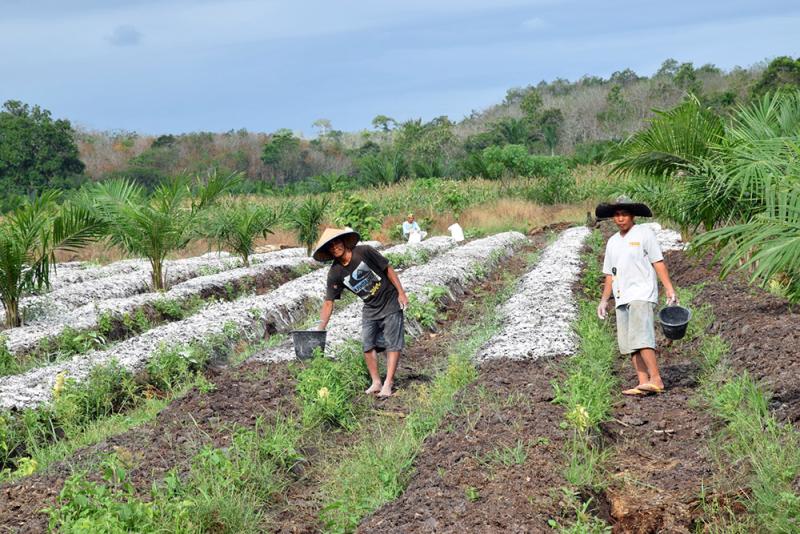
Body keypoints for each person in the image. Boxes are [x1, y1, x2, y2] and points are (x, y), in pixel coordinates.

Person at [595, 196, 678, 396]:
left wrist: (669, 288)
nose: (620, 218)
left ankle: (656, 379)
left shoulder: (644, 233)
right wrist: (604, 300)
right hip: (621, 295)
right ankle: (643, 382)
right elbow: (610, 274)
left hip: (642, 292)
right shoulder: (612, 242)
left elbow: (658, 262)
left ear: (632, 216)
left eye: (624, 214)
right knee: (629, 342)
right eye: (617, 215)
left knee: (641, 336)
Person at [313, 228, 409, 397]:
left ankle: (388, 383)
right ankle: (376, 382)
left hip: (389, 300)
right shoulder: (335, 272)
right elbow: (329, 302)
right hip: (370, 306)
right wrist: (320, 327)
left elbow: (387, 268)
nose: (335, 247)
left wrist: (401, 292)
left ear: (343, 242)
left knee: (392, 342)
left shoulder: (364, 251)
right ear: (329, 251)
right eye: (331, 246)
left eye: (337, 243)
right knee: (367, 344)